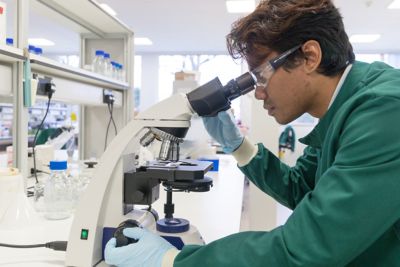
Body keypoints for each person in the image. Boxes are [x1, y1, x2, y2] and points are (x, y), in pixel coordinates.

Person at [105, 0, 400, 266]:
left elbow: (306, 248)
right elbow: (300, 189)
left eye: (261, 76)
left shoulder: (384, 110)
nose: (258, 94)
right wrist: (239, 147)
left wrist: (174, 260)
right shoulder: (342, 107)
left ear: (310, 56)